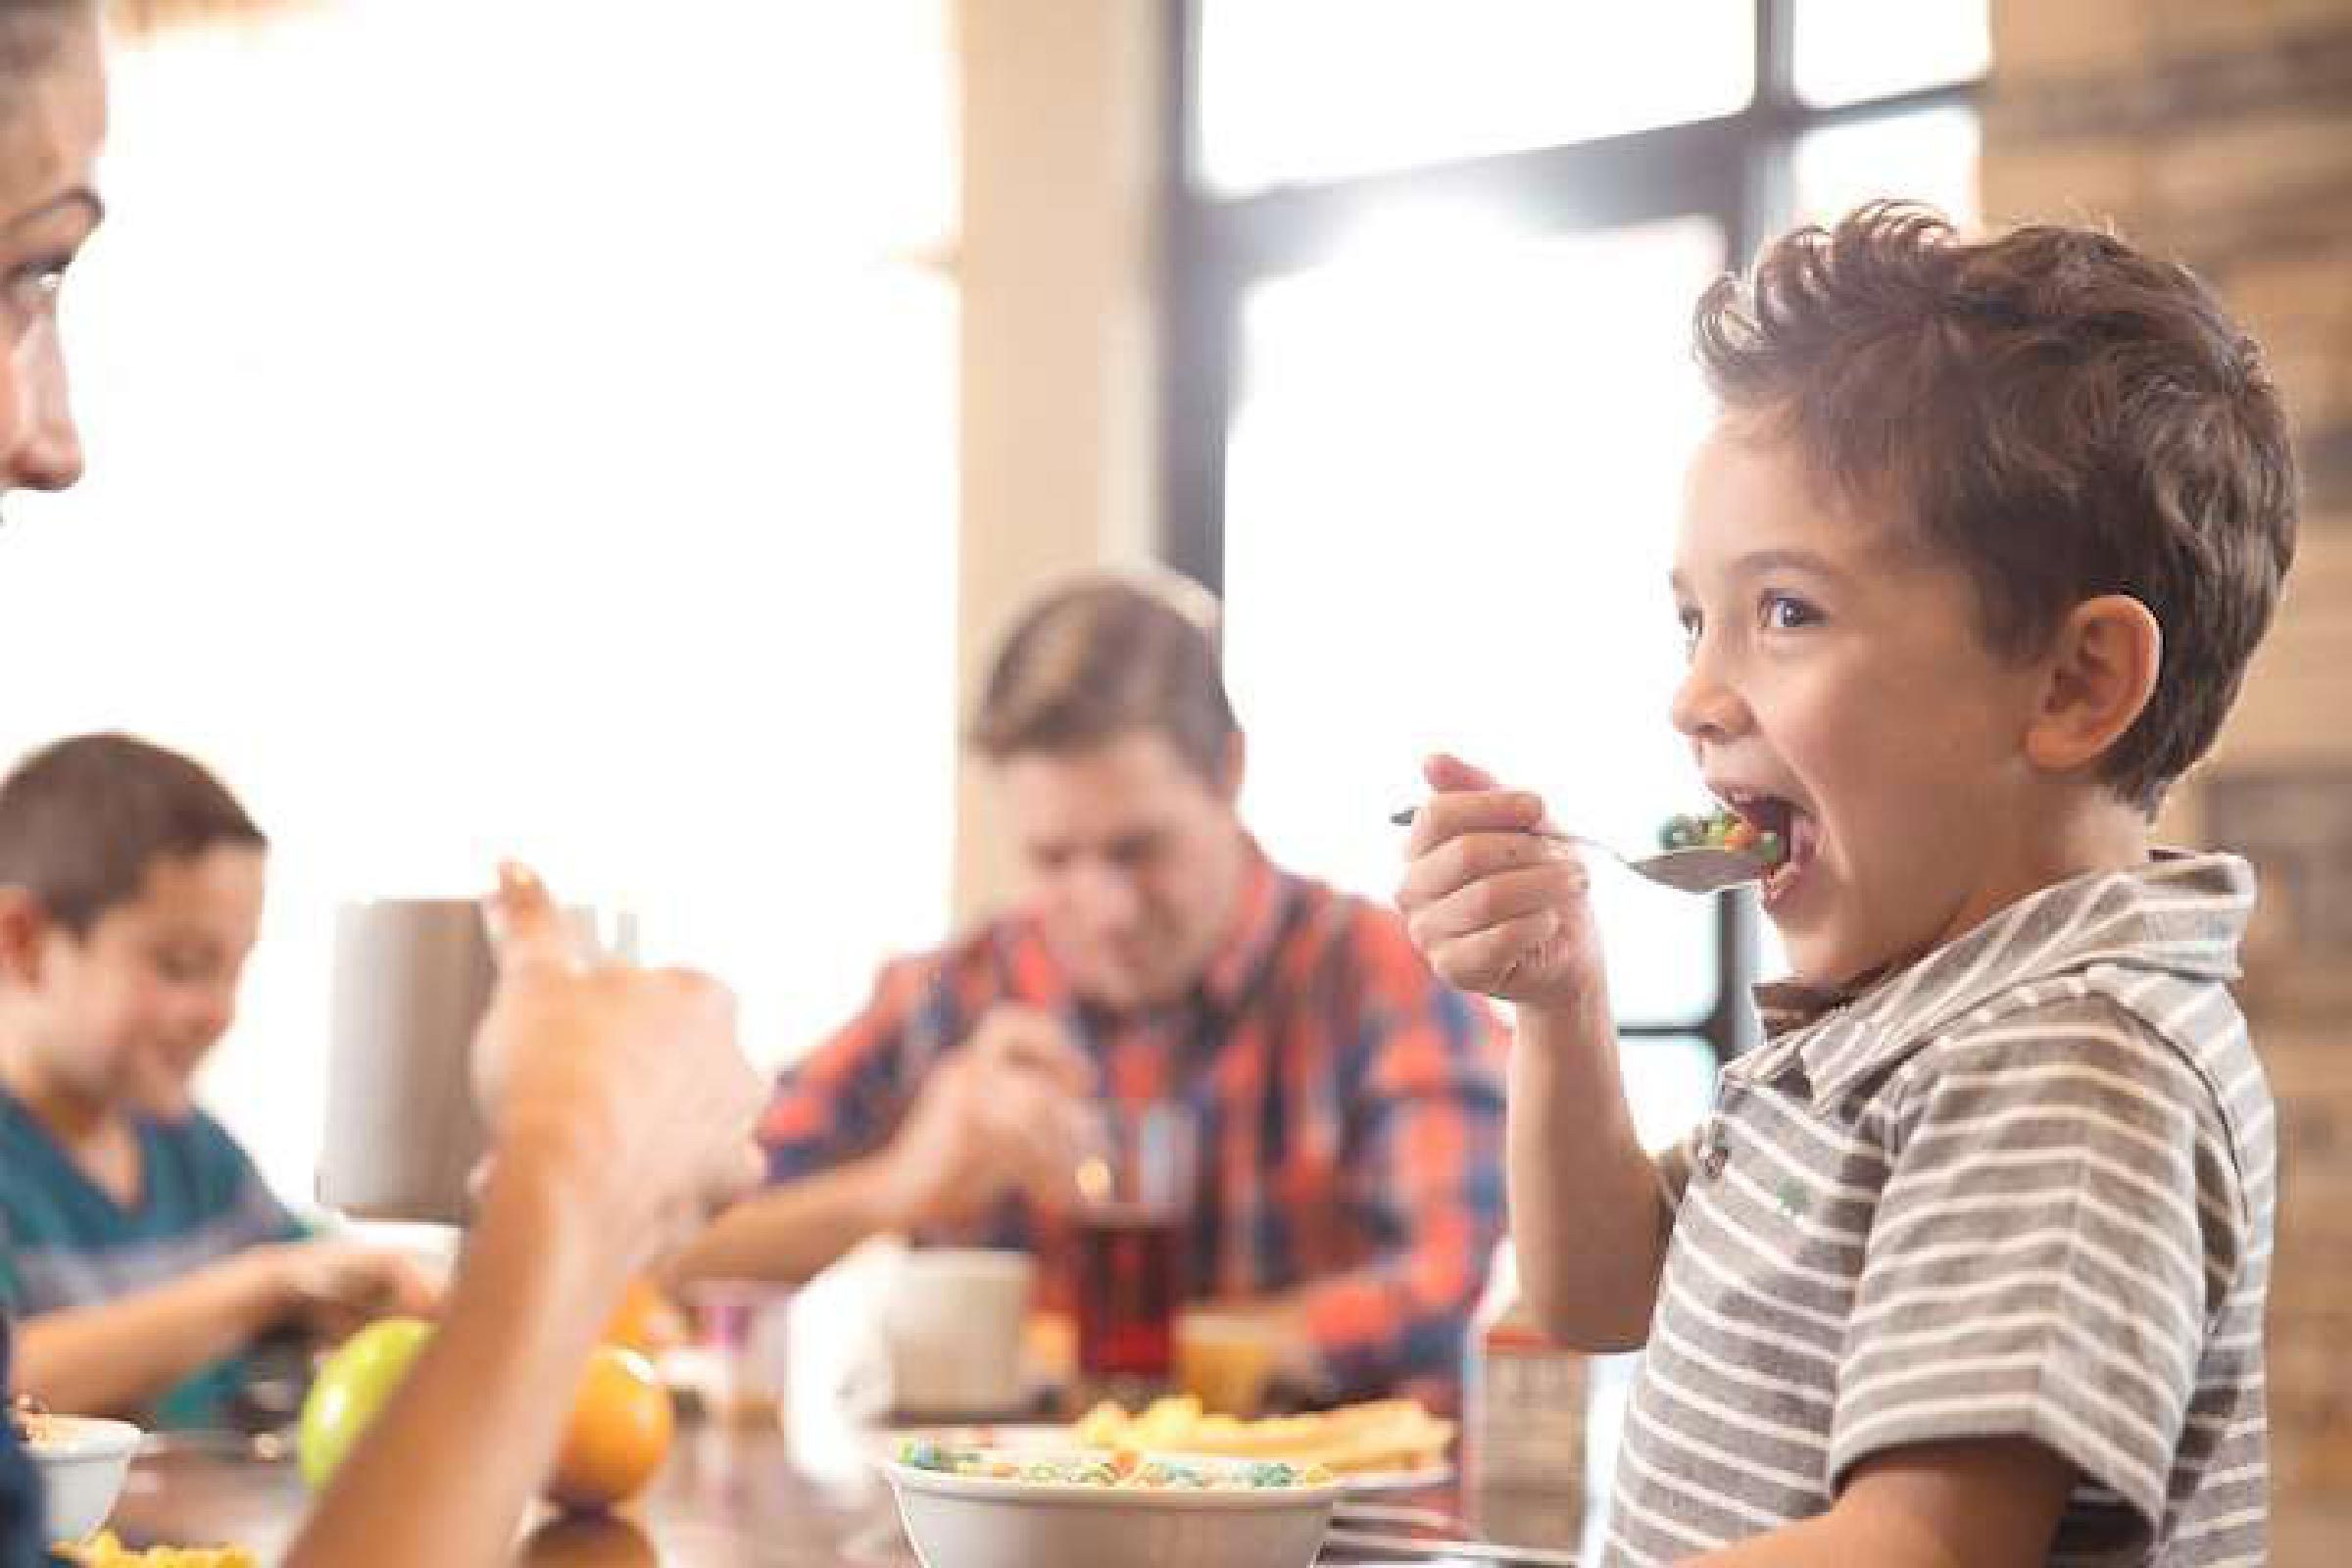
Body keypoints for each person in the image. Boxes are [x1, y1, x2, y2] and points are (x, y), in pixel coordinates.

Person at [1400, 202, 2292, 1565]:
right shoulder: (1903, 1024)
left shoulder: (2063, 1058)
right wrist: (1561, 1002)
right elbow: (1601, 1290)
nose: (1695, 696)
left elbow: (1919, 1548)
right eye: (1696, 618)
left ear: (2073, 683)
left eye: (1787, 613)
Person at [0, 3, 766, 1562]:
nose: (56, 436)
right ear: (25, 943)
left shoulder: (200, 1160)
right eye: (33, 269)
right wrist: (562, 1190)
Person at [676, 572, 1509, 1405]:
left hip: (1324, 1526)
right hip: (994, 1532)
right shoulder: (949, 998)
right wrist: (896, 1185)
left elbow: (1440, 1285)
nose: (1104, 910)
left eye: (1137, 850)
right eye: (1053, 860)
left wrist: (1131, 1359)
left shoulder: (1379, 976)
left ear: (1229, 770)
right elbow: (662, 1243)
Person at [0, 733, 440, 1427]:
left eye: (236, 969)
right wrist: (260, 1287)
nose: (219, 1013)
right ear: (21, 940)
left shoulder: (192, 1151)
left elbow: (309, 1270)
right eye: (180, 965)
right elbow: (17, 1372)